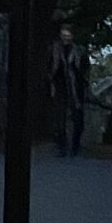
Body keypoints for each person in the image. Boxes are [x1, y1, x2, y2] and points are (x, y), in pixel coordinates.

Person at [47, 21, 87, 157]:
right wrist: (51, 79)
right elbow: (49, 66)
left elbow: (84, 68)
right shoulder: (54, 49)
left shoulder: (78, 50)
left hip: (76, 87)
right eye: (63, 35)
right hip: (60, 86)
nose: (66, 38)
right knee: (60, 117)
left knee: (77, 117)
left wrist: (82, 80)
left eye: (68, 35)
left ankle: (75, 145)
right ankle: (62, 145)